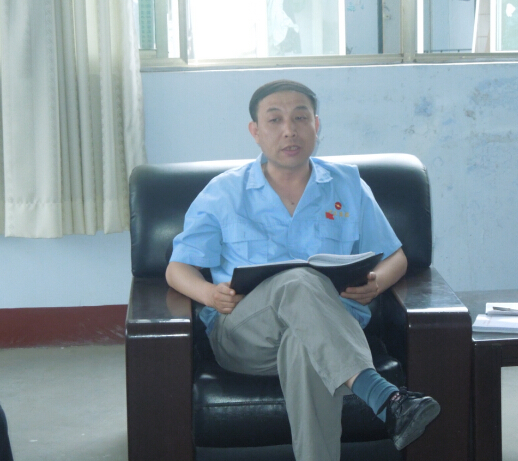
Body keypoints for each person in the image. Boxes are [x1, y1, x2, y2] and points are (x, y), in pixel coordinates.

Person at [166, 79, 440, 461]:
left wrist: (376, 283)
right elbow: (177, 268)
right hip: (246, 335)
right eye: (275, 120)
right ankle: (383, 395)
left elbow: (397, 257)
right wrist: (210, 294)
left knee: (304, 344)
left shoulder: (347, 184)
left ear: (316, 125)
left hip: (330, 334)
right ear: (255, 131)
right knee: (298, 280)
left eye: (300, 118)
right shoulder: (223, 192)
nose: (289, 130)